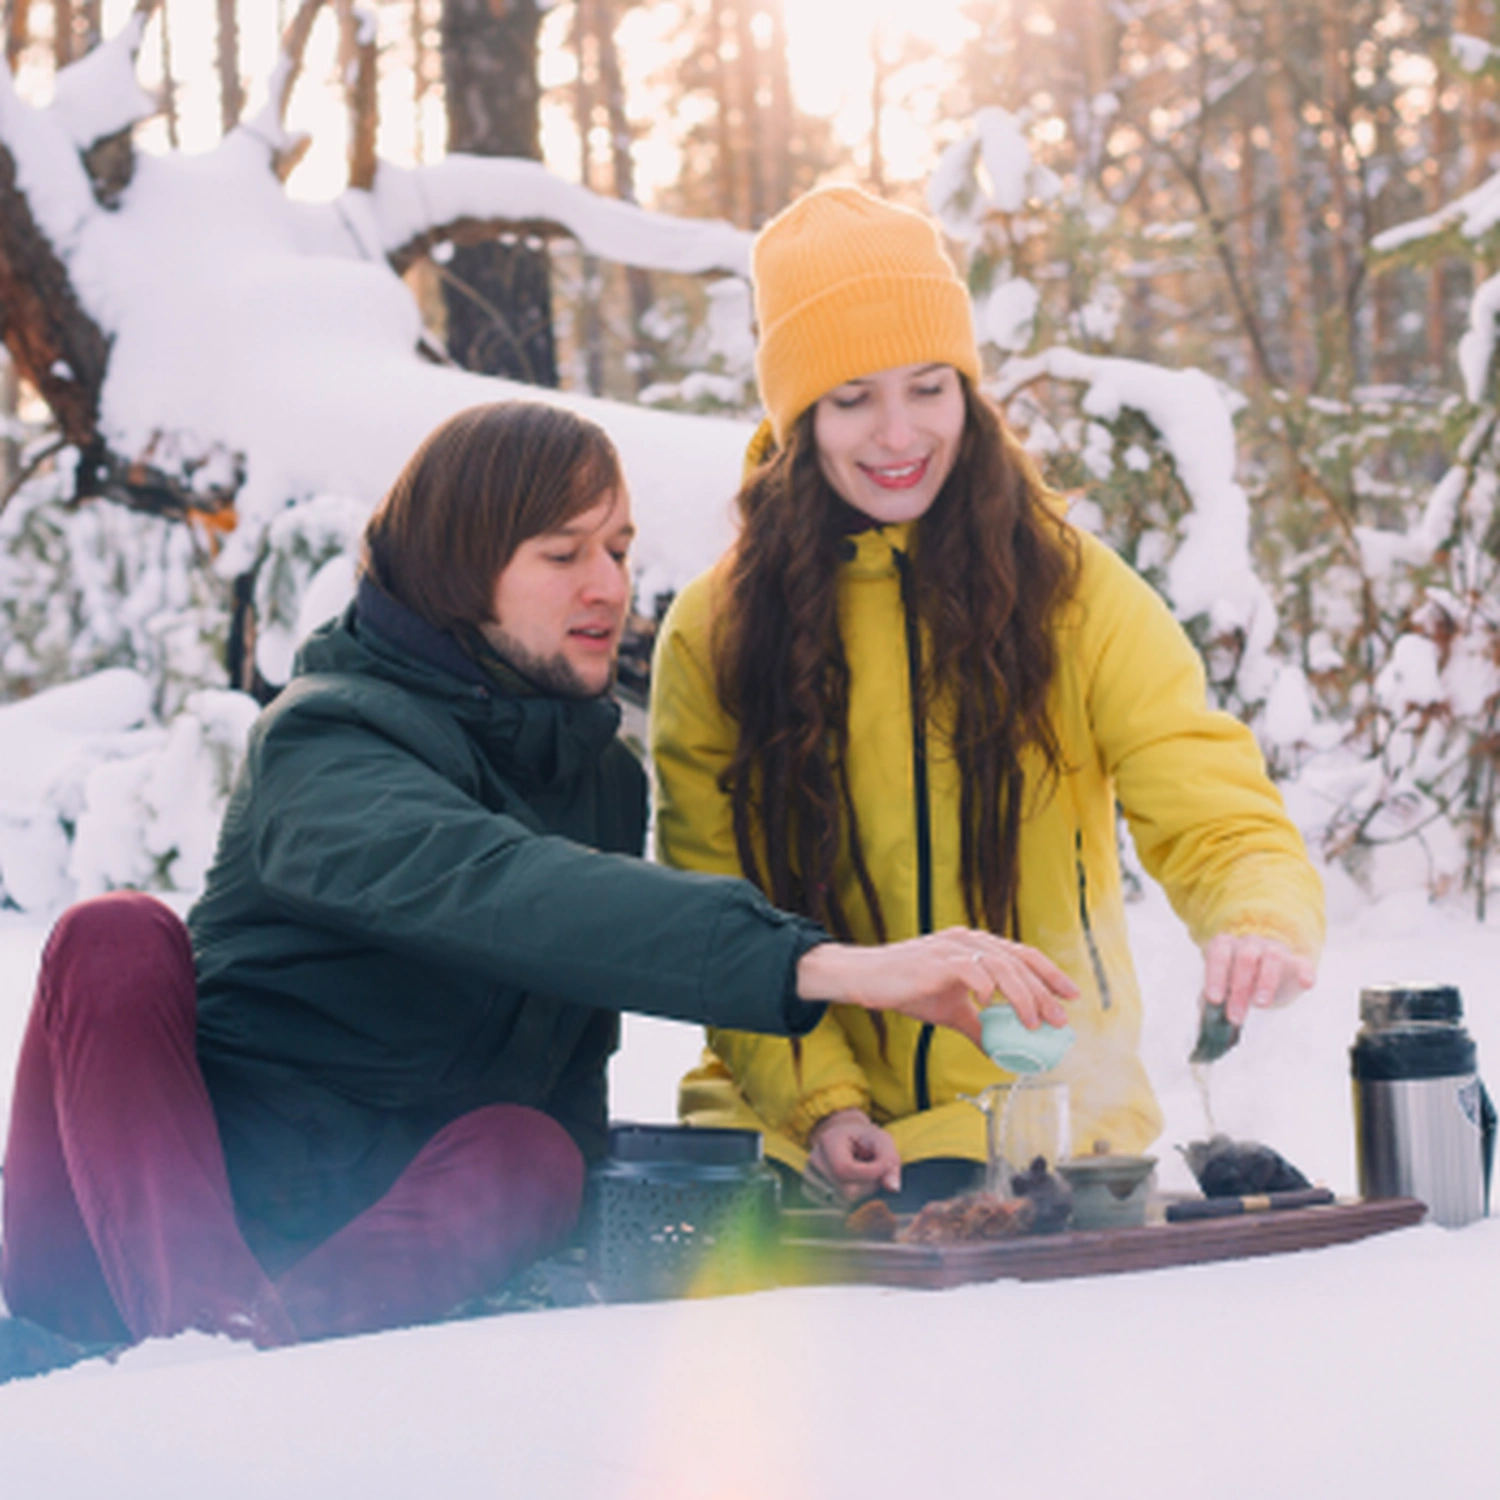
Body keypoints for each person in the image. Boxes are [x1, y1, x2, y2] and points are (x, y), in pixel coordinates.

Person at [0, 401, 1071, 1365]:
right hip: (121, 1235)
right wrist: (825, 965)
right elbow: (500, 887)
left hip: (355, 1258)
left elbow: (566, 1051)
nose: (610, 584)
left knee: (539, 1149)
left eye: (617, 547)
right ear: (465, 577)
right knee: (114, 936)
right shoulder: (326, 738)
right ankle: (205, 1355)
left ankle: (254, 1353)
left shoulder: (598, 777)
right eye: (564, 553)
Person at [649, 185, 1325, 1210]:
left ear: (969, 388)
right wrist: (824, 1107)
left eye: (929, 387)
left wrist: (1258, 916)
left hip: (1041, 1119)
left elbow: (1211, 801)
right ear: (794, 415)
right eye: (849, 398)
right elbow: (720, 918)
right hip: (789, 1134)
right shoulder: (715, 633)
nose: (897, 433)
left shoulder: (1074, 592)